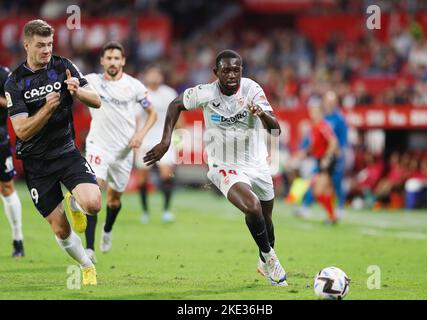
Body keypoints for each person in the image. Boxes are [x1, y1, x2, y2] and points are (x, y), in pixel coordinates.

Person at [144, 50, 288, 286]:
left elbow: (276, 129)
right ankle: (271, 259)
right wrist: (166, 140)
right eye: (226, 70)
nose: (232, 75)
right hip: (223, 164)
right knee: (252, 208)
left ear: (241, 70)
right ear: (216, 73)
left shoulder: (252, 90)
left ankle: (264, 257)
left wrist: (261, 113)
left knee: (267, 218)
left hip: (256, 162)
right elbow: (175, 104)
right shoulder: (205, 92)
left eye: (236, 70)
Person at [4, 19, 102, 285]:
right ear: (26, 45)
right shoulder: (15, 82)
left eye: (49, 44)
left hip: (66, 152)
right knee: (61, 228)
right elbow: (22, 131)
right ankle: (86, 265)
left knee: (93, 204)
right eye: (40, 45)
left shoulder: (63, 65)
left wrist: (78, 92)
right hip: (37, 164)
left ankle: (75, 201)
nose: (47, 50)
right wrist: (46, 108)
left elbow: (97, 100)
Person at [83, 41, 156, 263]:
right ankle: (89, 249)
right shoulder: (92, 81)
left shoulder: (134, 86)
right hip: (98, 145)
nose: (113, 62)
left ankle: (107, 229)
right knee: (93, 192)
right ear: (102, 61)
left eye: (117, 58)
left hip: (124, 151)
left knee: (114, 201)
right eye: (109, 58)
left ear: (123, 61)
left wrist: (140, 135)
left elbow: (152, 113)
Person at [134, 66, 179, 224]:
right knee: (143, 179)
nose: (154, 77)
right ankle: (145, 212)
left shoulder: (169, 93)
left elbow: (177, 117)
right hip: (145, 140)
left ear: (161, 77)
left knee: (166, 175)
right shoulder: (141, 93)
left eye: (156, 74)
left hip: (164, 140)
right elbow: (136, 119)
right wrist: (136, 138)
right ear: (146, 76)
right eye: (151, 74)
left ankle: (166, 211)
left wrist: (178, 137)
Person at [0, 65, 25, 258]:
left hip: (0, 139)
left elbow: (16, 103)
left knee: (6, 187)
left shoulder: (4, 75)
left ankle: (18, 238)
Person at [305, 102, 339, 224]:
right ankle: (332, 216)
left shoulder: (322, 126)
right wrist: (304, 153)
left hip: (326, 161)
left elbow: (333, 141)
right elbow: (315, 146)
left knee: (318, 191)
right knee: (325, 191)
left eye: (314, 112)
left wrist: (327, 158)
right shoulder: (314, 127)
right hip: (320, 160)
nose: (312, 114)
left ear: (320, 114)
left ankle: (332, 215)